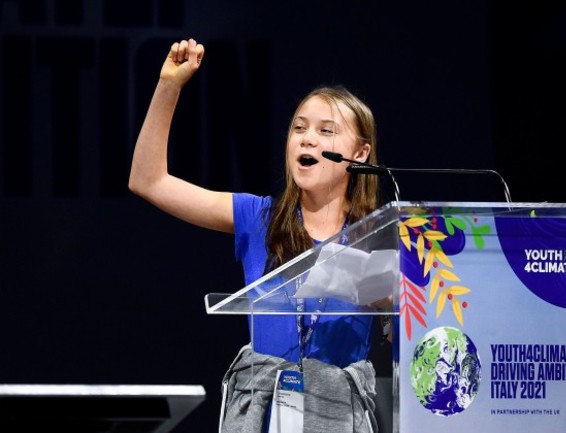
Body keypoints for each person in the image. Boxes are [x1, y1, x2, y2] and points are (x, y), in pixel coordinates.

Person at [129, 38, 389, 433]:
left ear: (360, 153)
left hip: (338, 419)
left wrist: (393, 299)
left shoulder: (378, 237)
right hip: (261, 419)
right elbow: (148, 180)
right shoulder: (258, 218)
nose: (307, 139)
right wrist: (169, 86)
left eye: (326, 130)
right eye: (299, 128)